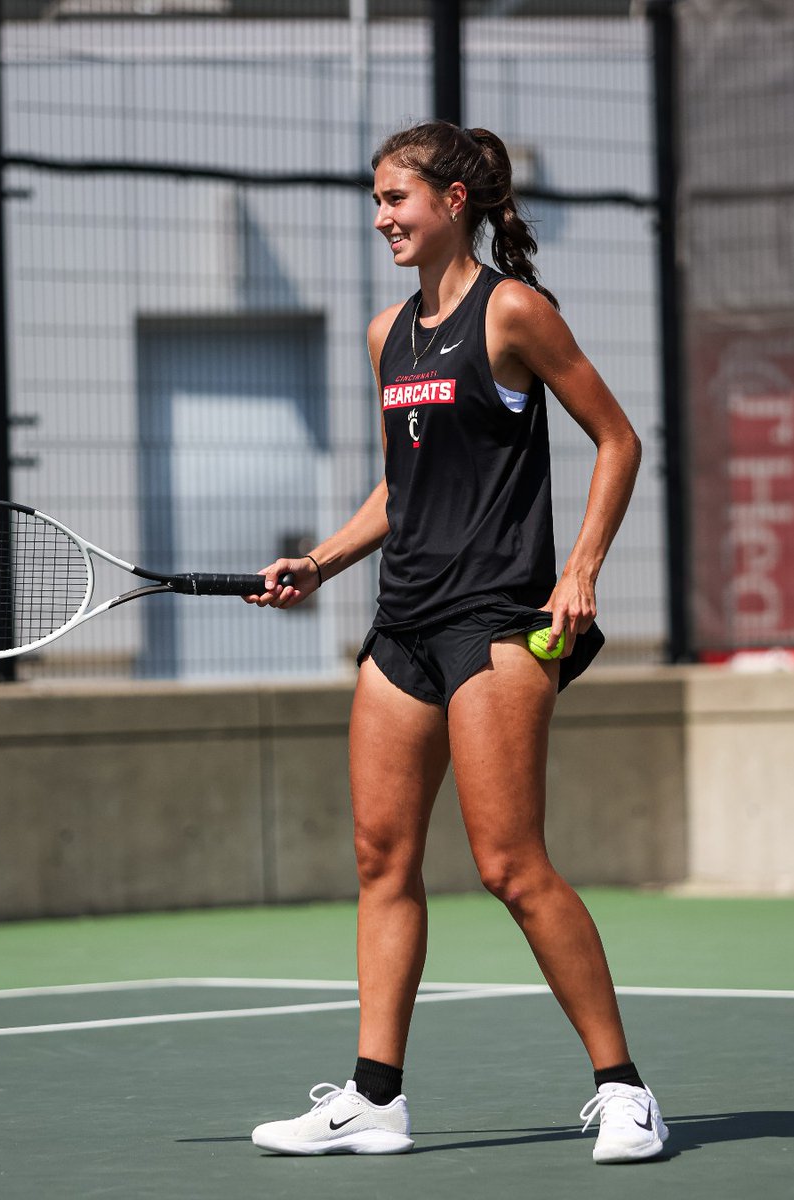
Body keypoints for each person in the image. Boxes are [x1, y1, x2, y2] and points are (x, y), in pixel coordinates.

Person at [244, 121, 668, 1165]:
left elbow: (617, 437)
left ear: (453, 201)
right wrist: (323, 560)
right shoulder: (387, 331)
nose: (381, 216)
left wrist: (580, 571)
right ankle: (374, 1099)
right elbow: (406, 482)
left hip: (499, 625)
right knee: (379, 857)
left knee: (510, 866)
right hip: (404, 626)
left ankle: (626, 1092)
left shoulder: (513, 312)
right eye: (378, 199)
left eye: (397, 197)